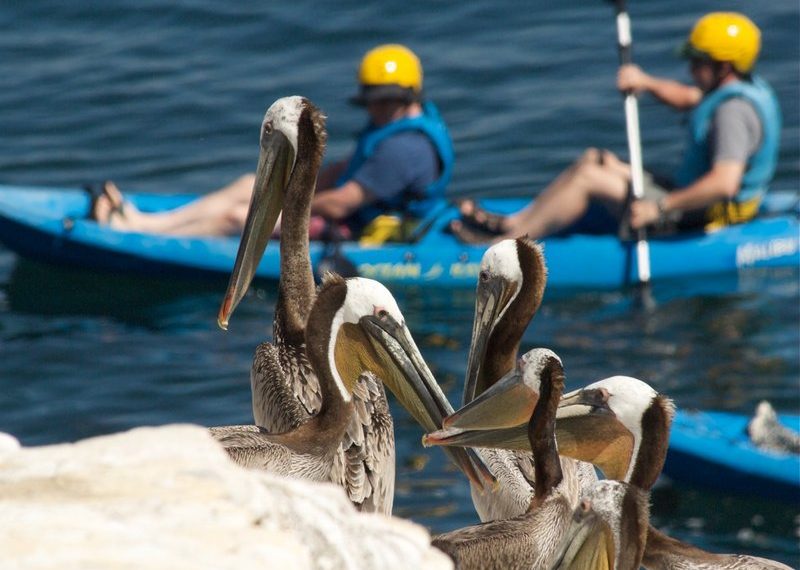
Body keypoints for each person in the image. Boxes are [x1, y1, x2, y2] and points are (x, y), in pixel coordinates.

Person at [452, 12, 781, 244]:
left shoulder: (733, 113)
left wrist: (658, 208)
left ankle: (506, 246)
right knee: (596, 159)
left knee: (588, 181)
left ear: (724, 66)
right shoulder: (734, 89)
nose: (690, 68)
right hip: (691, 195)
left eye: (697, 62)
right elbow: (689, 98)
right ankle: (514, 224)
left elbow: (724, 183)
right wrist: (646, 83)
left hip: (704, 213)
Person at [91, 44, 454, 240]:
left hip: (363, 230)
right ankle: (148, 224)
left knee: (238, 216)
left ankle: (151, 240)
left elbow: (343, 205)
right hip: (355, 213)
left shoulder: (406, 148)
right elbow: (342, 171)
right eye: (373, 100)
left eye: (386, 100)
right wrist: (287, 187)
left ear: (408, 95)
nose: (376, 107)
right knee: (249, 184)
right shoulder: (393, 126)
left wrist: (286, 203)